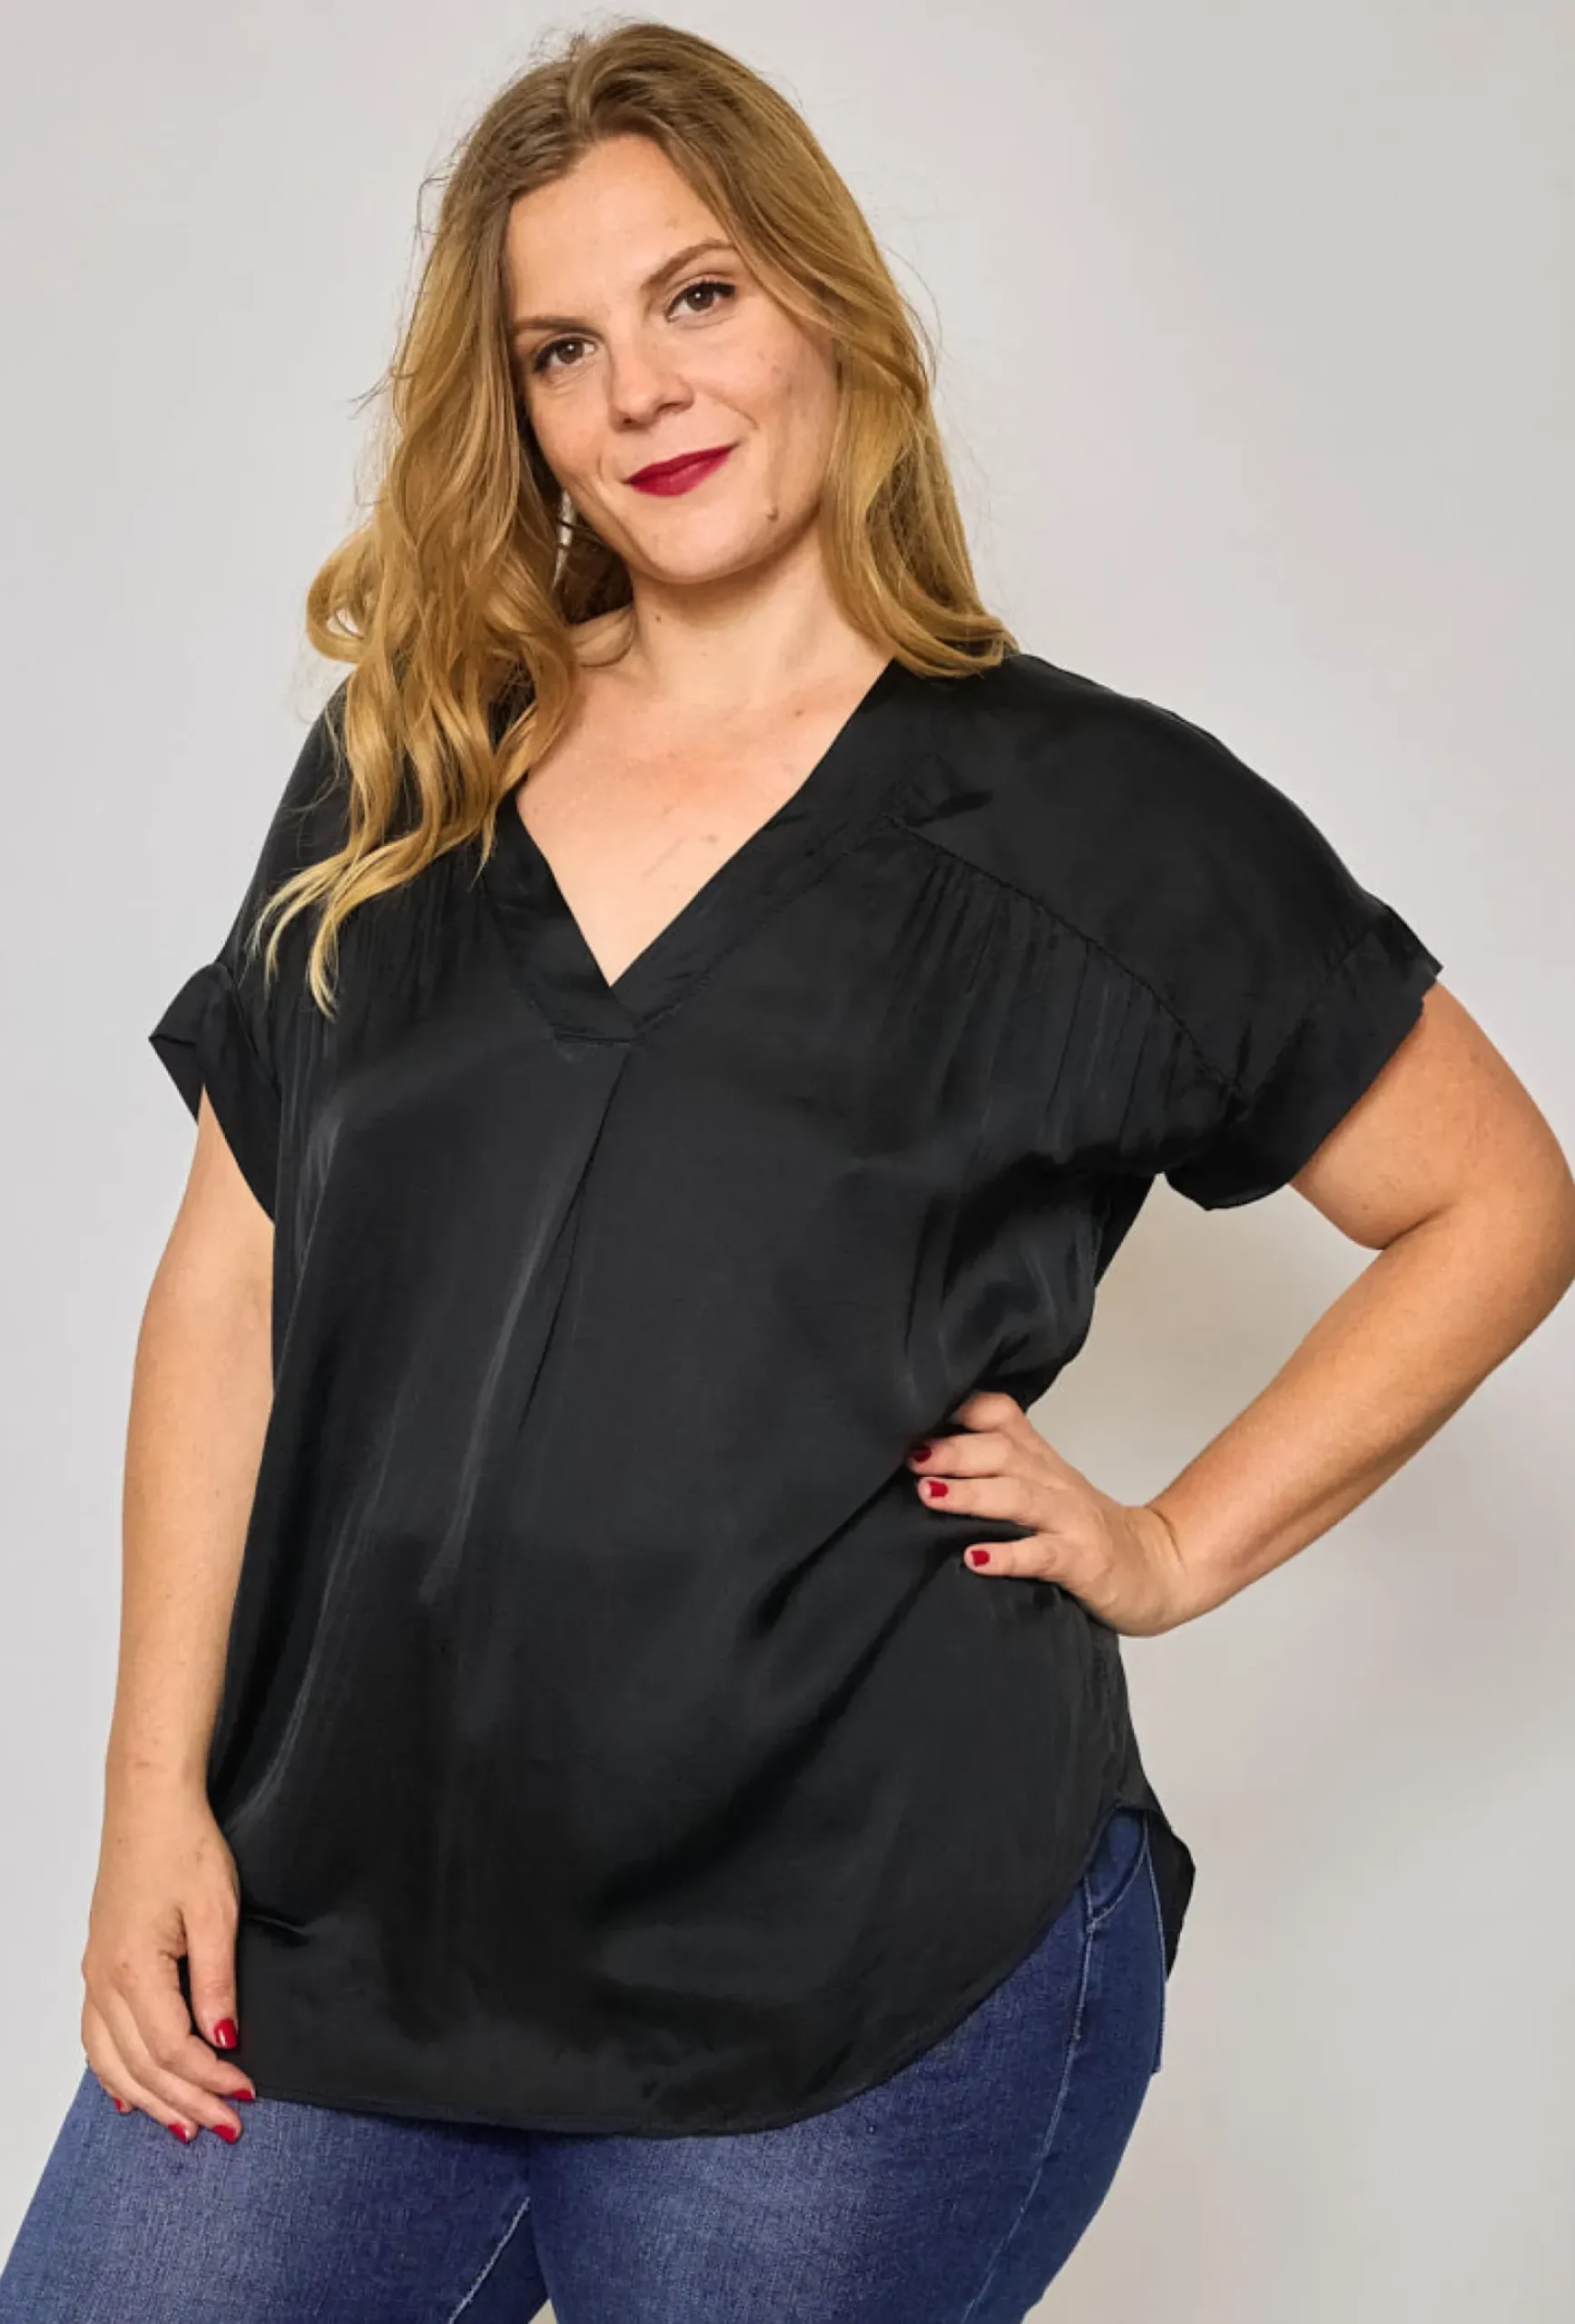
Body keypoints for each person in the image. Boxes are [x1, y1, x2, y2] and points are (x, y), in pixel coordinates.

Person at [4, 19, 1572, 2324]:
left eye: (698, 294)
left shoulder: (1099, 822)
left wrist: (1170, 1543)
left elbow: (1497, 1196)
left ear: (826, 304)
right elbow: (227, 1291)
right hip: (344, 1925)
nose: (640, 389)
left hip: (848, 1971)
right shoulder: (416, 762)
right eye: (562, 346)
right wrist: (155, 1797)